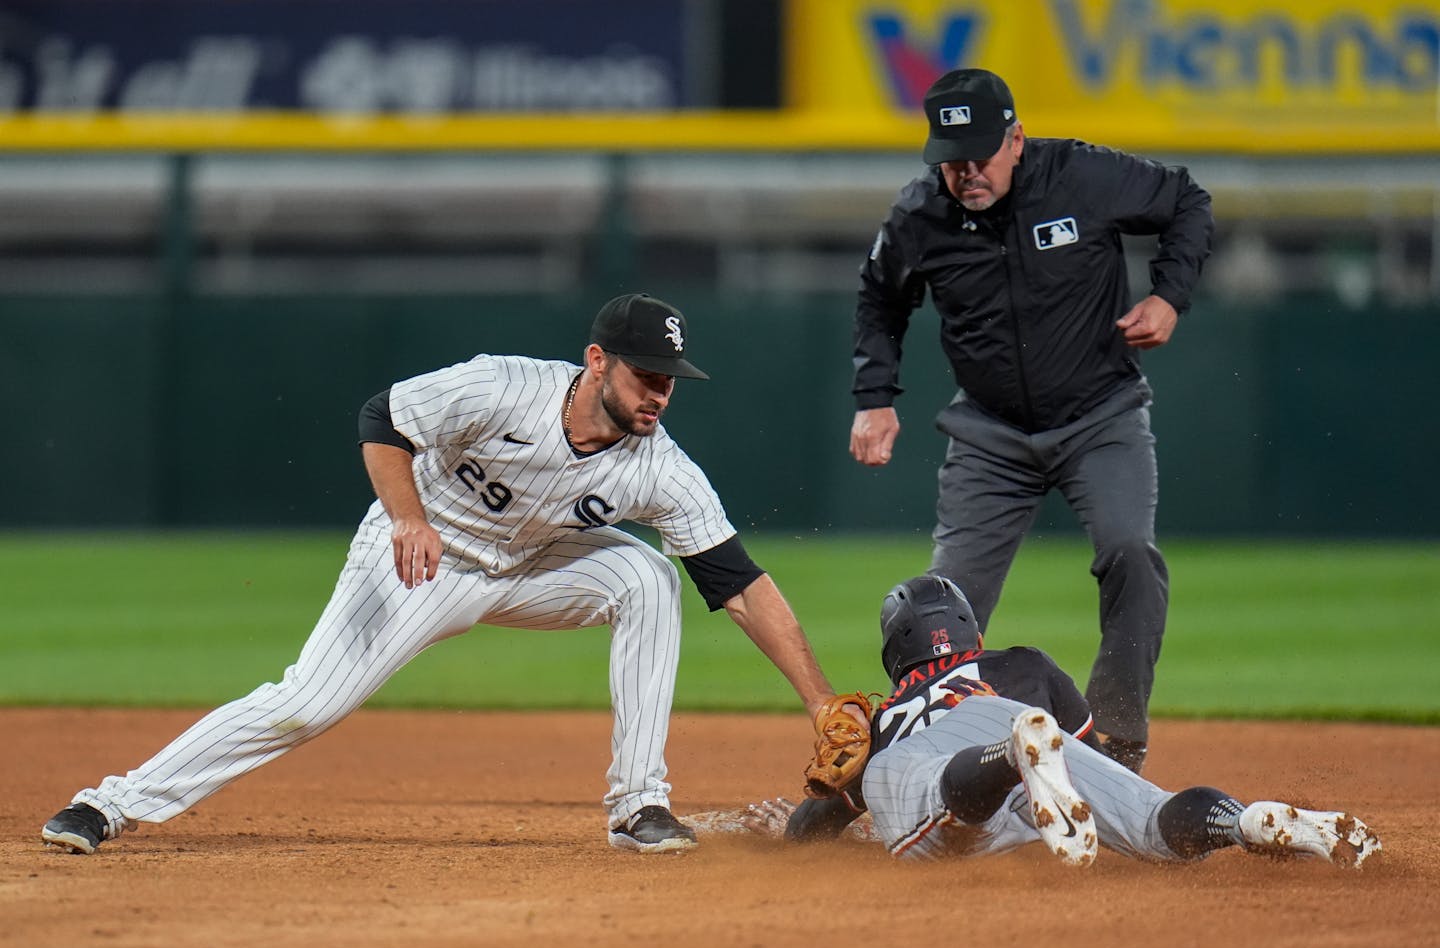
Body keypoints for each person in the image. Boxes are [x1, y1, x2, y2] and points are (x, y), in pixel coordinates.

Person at [42, 292, 850, 857]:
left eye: (669, 380)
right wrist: (407, 516)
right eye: (644, 375)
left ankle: (638, 804)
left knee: (648, 579)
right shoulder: (502, 386)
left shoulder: (660, 469)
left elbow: (738, 583)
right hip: (419, 559)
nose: (660, 395)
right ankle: (110, 804)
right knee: (305, 705)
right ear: (597, 361)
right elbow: (382, 419)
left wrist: (818, 701)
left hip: (532, 566)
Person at [848, 68, 1216, 773]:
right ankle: (916, 762)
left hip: (1099, 414)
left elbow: (1187, 202)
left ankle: (1116, 740)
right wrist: (875, 396)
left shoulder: (1081, 175)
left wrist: (1170, 296)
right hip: (990, 434)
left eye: (979, 155)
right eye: (950, 159)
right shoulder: (920, 215)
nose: (965, 173)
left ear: (1016, 140)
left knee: (1130, 552)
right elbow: (879, 299)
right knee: (943, 606)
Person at [775, 575, 1380, 869]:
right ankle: (1244, 819)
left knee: (938, 812)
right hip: (1020, 720)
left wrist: (800, 822)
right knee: (1151, 821)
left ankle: (1010, 759)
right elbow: (1102, 764)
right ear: (973, 635)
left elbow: (812, 827)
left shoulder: (883, 723)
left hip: (950, 756)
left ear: (895, 655)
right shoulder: (1024, 665)